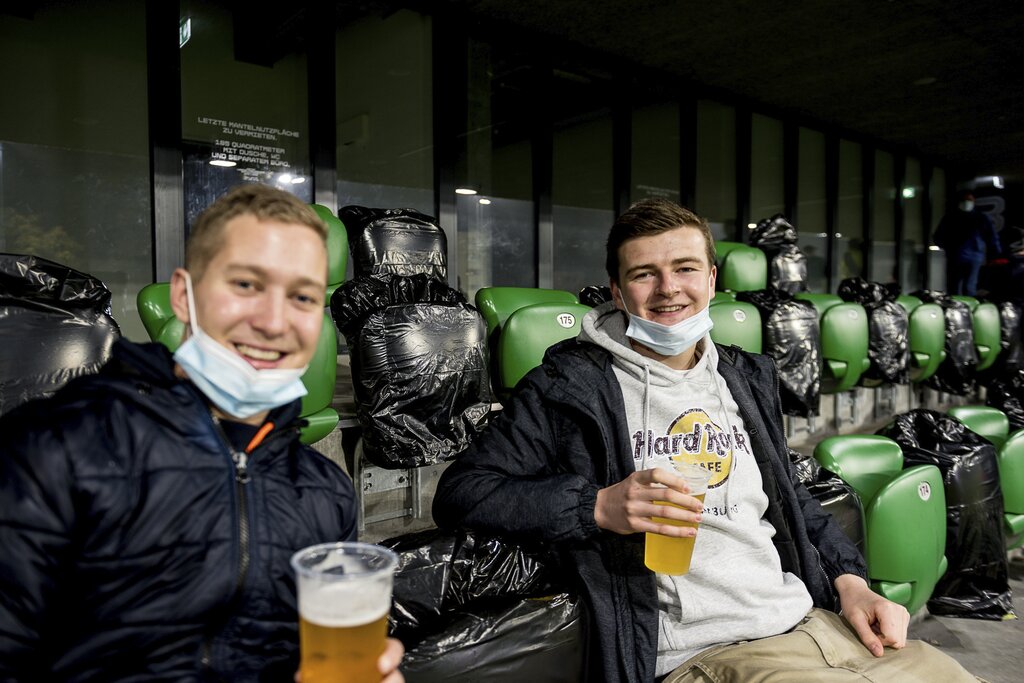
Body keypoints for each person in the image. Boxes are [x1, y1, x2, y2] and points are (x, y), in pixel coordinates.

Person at [433, 198, 978, 683]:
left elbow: (791, 500)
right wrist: (596, 506)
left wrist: (853, 583)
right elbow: (462, 493)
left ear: (712, 281)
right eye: (645, 275)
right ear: (619, 293)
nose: (669, 288)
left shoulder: (746, 378)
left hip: (811, 622)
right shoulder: (568, 389)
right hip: (705, 653)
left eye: (685, 268)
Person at [0, 185, 403, 682]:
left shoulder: (328, 493)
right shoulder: (56, 450)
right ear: (183, 296)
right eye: (246, 286)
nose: (274, 321)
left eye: (302, 297)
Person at [934, 190, 1001, 296]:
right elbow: (991, 237)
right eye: (965, 200)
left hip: (960, 256)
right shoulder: (979, 217)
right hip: (969, 256)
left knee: (958, 286)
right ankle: (967, 308)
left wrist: (946, 247)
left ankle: (955, 308)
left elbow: (938, 236)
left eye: (969, 200)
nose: (967, 202)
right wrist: (996, 252)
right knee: (965, 286)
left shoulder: (953, 217)